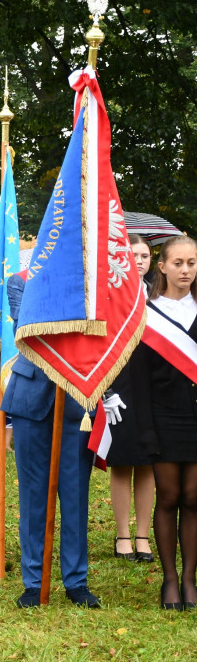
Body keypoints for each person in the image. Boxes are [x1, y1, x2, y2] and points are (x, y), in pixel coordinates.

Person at [2, 271, 100, 608]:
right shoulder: (20, 281)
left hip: (77, 398)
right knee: (33, 497)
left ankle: (76, 581)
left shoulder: (92, 282)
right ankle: (34, 580)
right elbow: (26, 330)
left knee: (74, 496)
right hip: (31, 396)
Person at [132, 235, 197, 609]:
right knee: (169, 497)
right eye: (178, 263)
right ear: (162, 266)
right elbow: (139, 380)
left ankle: (190, 580)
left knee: (193, 498)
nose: (185, 270)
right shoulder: (147, 313)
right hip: (163, 418)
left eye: (191, 263)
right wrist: (145, 429)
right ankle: (169, 580)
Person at [105, 235, 155, 563]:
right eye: (132, 254)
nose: (138, 260)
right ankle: (123, 534)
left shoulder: (161, 298)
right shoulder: (109, 297)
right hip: (119, 387)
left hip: (153, 388)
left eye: (145, 255)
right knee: (122, 461)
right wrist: (105, 391)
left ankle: (143, 535)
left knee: (149, 461)